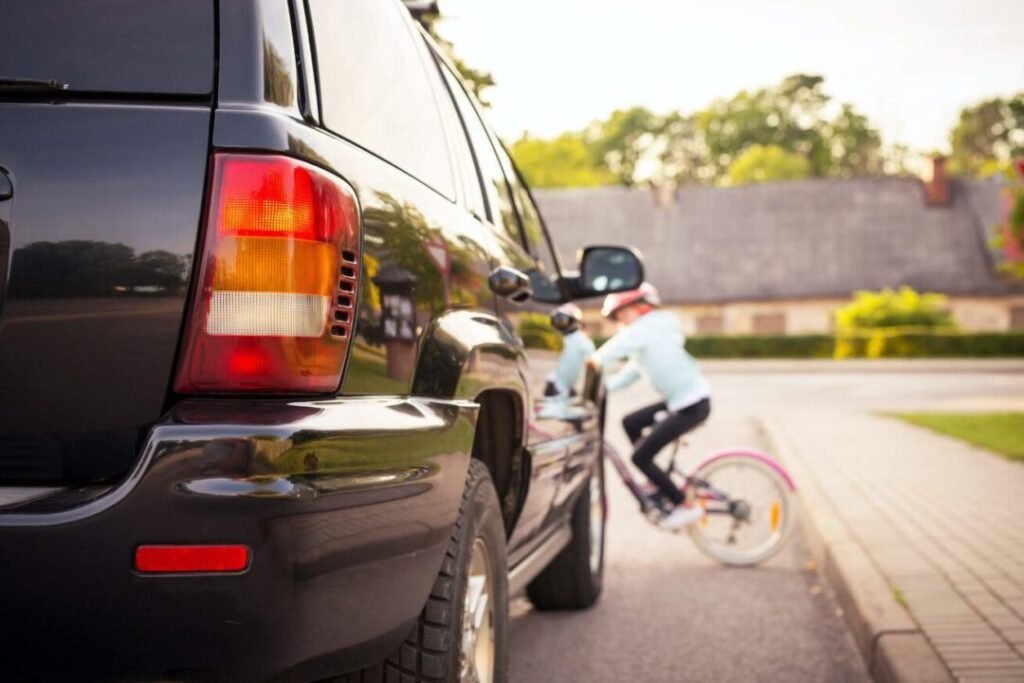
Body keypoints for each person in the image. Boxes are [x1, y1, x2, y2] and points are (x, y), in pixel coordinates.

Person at [590, 283, 711, 530]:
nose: (620, 321)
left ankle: (683, 504)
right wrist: (604, 388)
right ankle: (657, 480)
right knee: (630, 422)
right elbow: (632, 372)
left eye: (622, 314)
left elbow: (613, 349)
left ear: (640, 308)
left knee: (640, 457)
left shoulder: (647, 327)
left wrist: (591, 362)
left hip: (691, 405)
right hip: (680, 400)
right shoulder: (652, 333)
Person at [544, 303, 595, 400]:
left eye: (563, 320)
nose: (560, 324)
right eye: (557, 321)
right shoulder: (565, 339)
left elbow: (591, 361)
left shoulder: (581, 340)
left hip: (570, 389)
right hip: (558, 385)